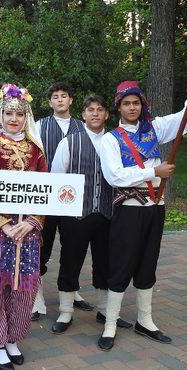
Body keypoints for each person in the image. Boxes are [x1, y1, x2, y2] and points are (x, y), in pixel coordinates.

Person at [98, 81, 187, 351]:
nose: (132, 108)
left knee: (148, 263)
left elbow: (185, 118)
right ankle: (110, 324)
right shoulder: (110, 139)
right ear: (118, 107)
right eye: (126, 103)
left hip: (155, 208)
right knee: (122, 264)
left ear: (142, 104)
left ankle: (145, 321)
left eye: (136, 103)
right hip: (129, 211)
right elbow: (114, 176)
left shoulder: (153, 129)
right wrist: (153, 173)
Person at [0, 84, 47, 370]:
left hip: (27, 234)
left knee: (24, 288)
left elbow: (46, 194)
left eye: (19, 114)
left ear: (26, 117)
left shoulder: (36, 152)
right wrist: (4, 225)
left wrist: (30, 223)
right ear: (0, 116)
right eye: (9, 113)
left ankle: (13, 337)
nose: (14, 119)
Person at [50, 95, 132, 334]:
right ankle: (66, 312)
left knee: (105, 263)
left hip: (107, 213)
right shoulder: (69, 142)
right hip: (75, 215)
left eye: (100, 110)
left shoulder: (116, 141)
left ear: (107, 115)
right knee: (70, 261)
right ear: (83, 115)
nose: (95, 114)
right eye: (90, 110)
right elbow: (57, 178)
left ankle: (105, 310)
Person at [33, 82, 88, 320]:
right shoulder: (39, 126)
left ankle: (72, 290)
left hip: (73, 198)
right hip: (45, 197)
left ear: (71, 100)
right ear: (50, 102)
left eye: (64, 96)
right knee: (41, 246)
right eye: (55, 97)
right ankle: (36, 296)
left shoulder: (83, 127)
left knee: (73, 246)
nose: (59, 100)